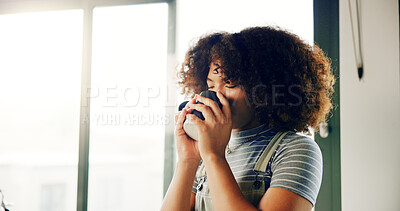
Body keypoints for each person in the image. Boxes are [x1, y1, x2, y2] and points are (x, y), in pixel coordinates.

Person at [161, 26, 335, 211]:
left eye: (230, 84)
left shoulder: (295, 149)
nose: (216, 95)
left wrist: (214, 156)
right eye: (211, 85)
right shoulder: (206, 149)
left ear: (264, 89)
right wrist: (188, 160)